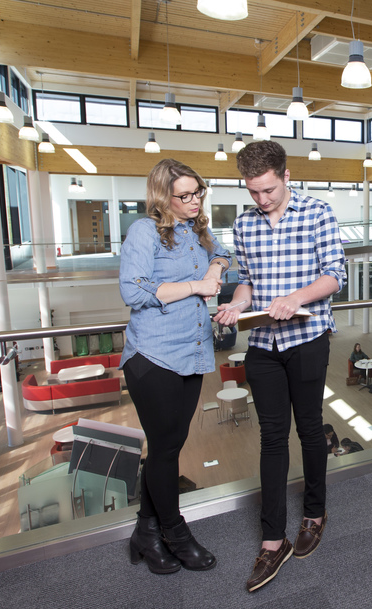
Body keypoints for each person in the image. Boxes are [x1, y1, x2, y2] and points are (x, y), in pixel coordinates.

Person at [213, 140, 346, 593]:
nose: (261, 199)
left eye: (268, 189)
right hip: (264, 344)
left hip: (307, 339)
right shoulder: (245, 223)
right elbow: (248, 281)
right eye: (253, 191)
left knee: (309, 428)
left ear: (286, 176)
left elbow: (335, 274)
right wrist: (235, 304)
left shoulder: (318, 212)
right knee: (272, 438)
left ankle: (314, 513)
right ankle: (273, 542)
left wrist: (296, 298)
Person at [119, 158, 231, 576]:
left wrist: (217, 266)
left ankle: (146, 533)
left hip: (194, 353)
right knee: (165, 450)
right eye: (183, 195)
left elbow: (221, 252)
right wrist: (197, 286)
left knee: (169, 447)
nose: (193, 201)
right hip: (154, 355)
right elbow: (133, 289)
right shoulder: (144, 231)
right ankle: (175, 533)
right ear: (162, 198)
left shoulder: (197, 229)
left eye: (197, 192)